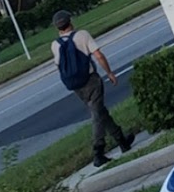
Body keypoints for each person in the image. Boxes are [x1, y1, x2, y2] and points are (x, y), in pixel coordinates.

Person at [51, 9, 135, 168]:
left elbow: (59, 66)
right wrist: (109, 72)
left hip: (76, 85)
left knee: (100, 111)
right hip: (90, 80)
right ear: (70, 22)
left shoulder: (55, 45)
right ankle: (98, 151)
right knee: (96, 114)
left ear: (57, 28)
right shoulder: (82, 35)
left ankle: (122, 140)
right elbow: (98, 55)